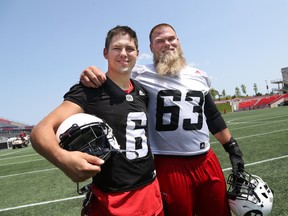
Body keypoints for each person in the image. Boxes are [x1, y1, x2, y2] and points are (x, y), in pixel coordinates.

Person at [79, 23, 245, 216]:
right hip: (169, 163)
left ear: (178, 41)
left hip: (206, 160)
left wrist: (232, 148)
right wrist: (91, 72)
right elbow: (116, 72)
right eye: (159, 41)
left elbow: (212, 114)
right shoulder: (140, 74)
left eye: (171, 38)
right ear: (151, 48)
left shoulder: (199, 76)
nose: (167, 43)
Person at [30, 25, 163, 216]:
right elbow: (40, 131)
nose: (123, 53)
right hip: (114, 201)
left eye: (130, 49)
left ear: (138, 53)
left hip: (151, 191)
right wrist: (63, 159)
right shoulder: (90, 90)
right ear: (105, 53)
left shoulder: (143, 91)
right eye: (117, 48)